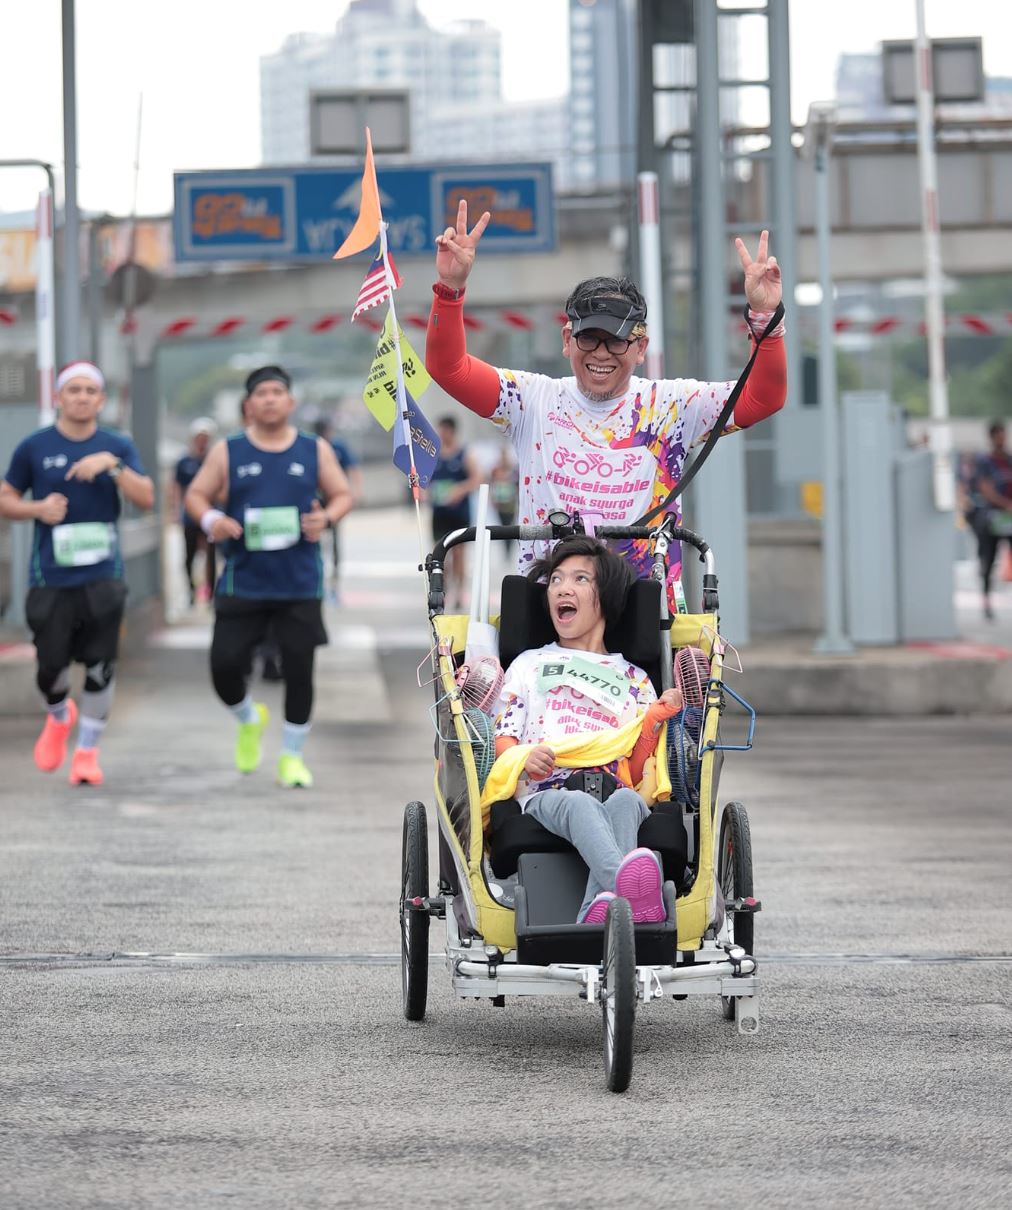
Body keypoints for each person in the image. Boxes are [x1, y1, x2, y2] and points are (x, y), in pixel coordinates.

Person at [425, 200, 787, 610]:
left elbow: (763, 397)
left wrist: (764, 316)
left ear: (640, 348)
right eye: (588, 338)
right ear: (567, 340)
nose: (601, 353)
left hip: (645, 610)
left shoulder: (672, 404)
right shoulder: (531, 399)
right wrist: (450, 289)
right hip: (549, 608)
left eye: (616, 341)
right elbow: (448, 368)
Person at [491, 536, 683, 924]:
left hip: (616, 786)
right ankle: (629, 892)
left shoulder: (635, 679)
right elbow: (504, 739)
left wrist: (652, 721)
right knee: (580, 804)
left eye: (580, 579)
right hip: (550, 790)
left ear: (606, 596)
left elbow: (638, 768)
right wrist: (524, 758)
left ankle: (597, 914)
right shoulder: (528, 664)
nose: (563, 588)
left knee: (628, 801)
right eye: (556, 579)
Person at [185, 365, 353, 788]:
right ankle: (248, 717)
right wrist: (212, 520)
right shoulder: (229, 450)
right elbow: (196, 495)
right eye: (262, 393)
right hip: (244, 579)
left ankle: (291, 758)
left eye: (278, 392)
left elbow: (342, 494)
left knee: (299, 670)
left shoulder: (313, 449)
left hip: (299, 581)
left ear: (290, 402)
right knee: (224, 665)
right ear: (249, 405)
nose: (270, 399)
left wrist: (326, 518)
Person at [0, 360, 155, 785]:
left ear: (101, 400)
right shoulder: (34, 446)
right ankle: (58, 715)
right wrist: (38, 508)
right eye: (74, 390)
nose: (82, 397)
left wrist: (113, 466)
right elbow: (5, 497)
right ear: (58, 397)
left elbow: (146, 497)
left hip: (104, 576)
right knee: (50, 668)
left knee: (101, 666)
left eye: (90, 391)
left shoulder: (116, 445)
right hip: (51, 578)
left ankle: (87, 752)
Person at [427, 415, 482, 609]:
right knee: (440, 554)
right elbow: (425, 480)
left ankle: (460, 591)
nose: (440, 434)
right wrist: (426, 492)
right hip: (439, 513)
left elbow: (477, 479)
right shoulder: (433, 455)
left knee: (459, 555)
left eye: (443, 430)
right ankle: (444, 588)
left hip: (459, 513)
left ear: (451, 431)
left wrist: (459, 490)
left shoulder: (464, 454)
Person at [312, 417, 365, 601]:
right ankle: (319, 581)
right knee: (315, 542)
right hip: (316, 502)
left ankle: (334, 584)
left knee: (335, 543)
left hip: (334, 501)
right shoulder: (313, 446)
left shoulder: (338, 447)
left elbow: (353, 467)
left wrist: (355, 491)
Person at [965, 420, 1012, 620]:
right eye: (998, 436)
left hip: (1009, 516)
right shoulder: (985, 462)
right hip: (992, 516)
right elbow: (985, 488)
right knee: (988, 559)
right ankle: (986, 600)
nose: (1002, 440)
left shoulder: (1008, 460)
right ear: (992, 438)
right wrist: (1004, 503)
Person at [172, 417, 218, 605]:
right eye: (199, 437)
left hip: (210, 514)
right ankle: (191, 590)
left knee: (211, 555)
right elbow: (176, 486)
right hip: (190, 516)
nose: (202, 441)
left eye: (205, 437)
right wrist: (176, 510)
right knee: (189, 555)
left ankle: (210, 593)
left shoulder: (213, 459)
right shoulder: (184, 461)